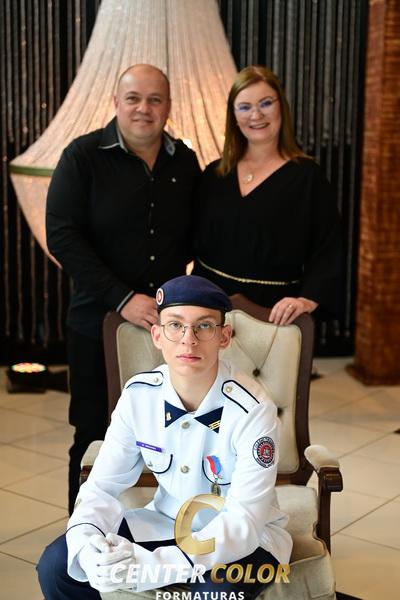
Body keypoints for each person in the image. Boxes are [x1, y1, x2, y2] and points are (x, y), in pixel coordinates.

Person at [37, 275, 292, 599]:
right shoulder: (138, 396)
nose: (188, 340)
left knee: (216, 593)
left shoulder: (253, 410)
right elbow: (101, 487)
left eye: (204, 326)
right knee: (57, 563)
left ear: (224, 336)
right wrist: (88, 547)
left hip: (245, 539)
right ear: (157, 335)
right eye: (175, 325)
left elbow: (244, 522)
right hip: (165, 522)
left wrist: (153, 565)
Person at [46, 64, 201, 515]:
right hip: (97, 321)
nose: (143, 108)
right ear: (116, 102)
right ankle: (83, 533)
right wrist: (122, 297)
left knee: (170, 433)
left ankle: (160, 528)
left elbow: (201, 236)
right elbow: (62, 237)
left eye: (155, 99)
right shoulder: (82, 157)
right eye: (133, 98)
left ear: (168, 107)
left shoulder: (185, 162)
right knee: (94, 432)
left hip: (168, 330)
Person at [192, 65, 341, 327]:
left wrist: (307, 300)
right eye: (245, 107)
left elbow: (329, 249)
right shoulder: (214, 174)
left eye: (266, 103)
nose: (256, 114)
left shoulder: (308, 177)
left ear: (281, 106)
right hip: (208, 308)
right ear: (233, 116)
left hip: (273, 314)